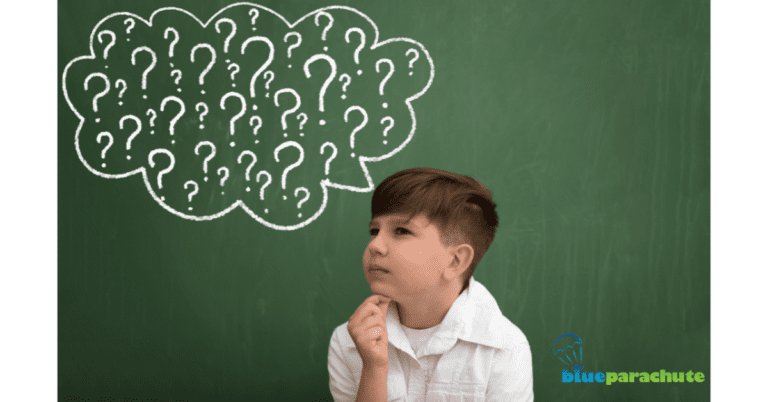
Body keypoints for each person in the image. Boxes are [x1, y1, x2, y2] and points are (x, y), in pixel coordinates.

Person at [328, 167, 533, 401]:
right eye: (374, 231)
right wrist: (373, 369)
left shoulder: (503, 347)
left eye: (402, 231)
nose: (375, 245)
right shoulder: (349, 341)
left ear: (455, 260)